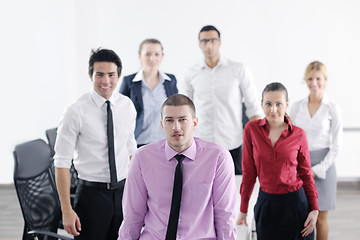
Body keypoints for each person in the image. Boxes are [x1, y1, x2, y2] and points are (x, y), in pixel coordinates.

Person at [118, 94, 237, 239]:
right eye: (169, 120)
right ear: (162, 124)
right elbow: (132, 216)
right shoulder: (142, 158)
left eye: (182, 120)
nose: (176, 127)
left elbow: (225, 217)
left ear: (194, 123)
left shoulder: (218, 158)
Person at [54, 48, 137, 240]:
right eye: (99, 74)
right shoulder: (75, 111)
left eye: (111, 75)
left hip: (124, 193)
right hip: (92, 196)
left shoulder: (126, 106)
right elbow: (62, 162)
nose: (106, 81)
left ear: (119, 76)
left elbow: (131, 148)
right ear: (90, 75)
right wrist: (66, 210)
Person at [237, 82, 319, 240]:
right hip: (267, 204)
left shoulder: (299, 134)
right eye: (268, 104)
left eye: (279, 104)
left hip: (296, 204)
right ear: (261, 104)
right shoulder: (251, 129)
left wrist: (314, 209)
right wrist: (243, 209)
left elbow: (306, 173)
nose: (273, 109)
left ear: (287, 105)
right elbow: (249, 172)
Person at [183, 25, 262, 175]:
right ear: (199, 44)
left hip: (232, 143)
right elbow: (185, 110)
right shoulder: (191, 73)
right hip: (202, 143)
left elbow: (253, 108)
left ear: (220, 42)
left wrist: (257, 145)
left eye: (213, 40)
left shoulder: (238, 69)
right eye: (204, 41)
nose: (209, 45)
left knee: (236, 189)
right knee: (203, 189)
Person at [290, 61, 342, 240]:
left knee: (320, 219)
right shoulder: (296, 106)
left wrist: (317, 170)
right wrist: (299, 167)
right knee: (303, 215)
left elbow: (336, 146)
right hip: (300, 164)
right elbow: (291, 138)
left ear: (325, 80)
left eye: (318, 78)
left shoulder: (333, 108)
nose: (314, 83)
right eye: (310, 78)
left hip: (325, 167)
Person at [120, 38, 178, 148]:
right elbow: (120, 112)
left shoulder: (170, 81)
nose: (152, 58)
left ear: (162, 57)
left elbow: (177, 110)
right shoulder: (129, 82)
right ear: (140, 56)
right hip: (138, 143)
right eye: (147, 54)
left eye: (157, 54)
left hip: (166, 143)